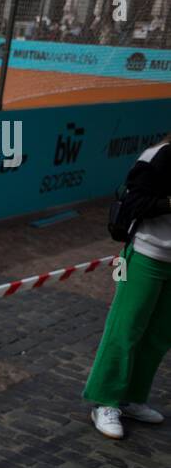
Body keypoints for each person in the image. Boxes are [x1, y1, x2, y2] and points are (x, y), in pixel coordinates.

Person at [84, 134, 171, 439]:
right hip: (144, 255)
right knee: (125, 328)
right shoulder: (159, 156)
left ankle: (133, 398)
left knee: (158, 336)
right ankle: (105, 402)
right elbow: (133, 201)